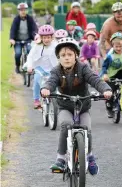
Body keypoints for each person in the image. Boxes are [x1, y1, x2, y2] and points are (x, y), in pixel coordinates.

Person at [40, 37, 112, 175]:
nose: (66, 58)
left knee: (86, 128)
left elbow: (95, 79)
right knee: (66, 124)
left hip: (83, 106)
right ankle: (60, 159)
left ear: (76, 56)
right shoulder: (56, 71)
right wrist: (46, 89)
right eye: (63, 55)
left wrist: (106, 89)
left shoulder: (83, 68)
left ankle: (90, 157)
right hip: (65, 106)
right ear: (58, 58)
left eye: (70, 55)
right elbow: (51, 81)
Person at [25, 25, 58, 108]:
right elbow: (30, 56)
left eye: (48, 37)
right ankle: (36, 99)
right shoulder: (37, 46)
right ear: (41, 38)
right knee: (37, 80)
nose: (46, 39)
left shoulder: (56, 46)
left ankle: (58, 98)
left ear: (52, 37)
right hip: (40, 68)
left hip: (53, 68)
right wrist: (30, 66)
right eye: (44, 37)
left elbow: (61, 55)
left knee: (56, 82)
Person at [9, 3, 37, 73]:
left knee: (30, 51)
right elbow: (13, 29)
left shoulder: (30, 19)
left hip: (27, 40)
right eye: (21, 10)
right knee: (18, 53)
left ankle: (30, 66)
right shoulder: (16, 19)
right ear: (19, 11)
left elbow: (34, 29)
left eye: (24, 10)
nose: (23, 11)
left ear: (26, 10)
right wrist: (12, 38)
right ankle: (17, 66)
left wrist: (36, 36)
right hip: (18, 41)